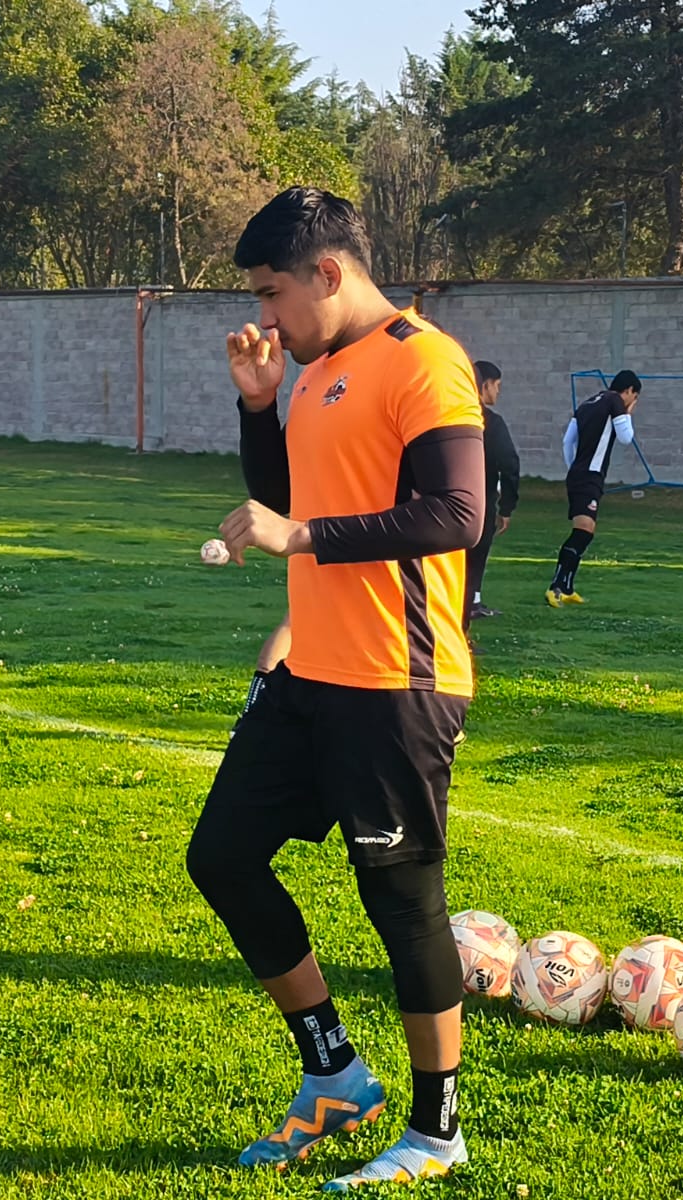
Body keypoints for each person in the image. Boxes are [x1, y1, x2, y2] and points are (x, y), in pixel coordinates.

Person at [186, 187, 484, 1191]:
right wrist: (260, 406)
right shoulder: (313, 375)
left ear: (328, 273)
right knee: (222, 857)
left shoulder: (422, 359)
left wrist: (303, 537)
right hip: (307, 673)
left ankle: (437, 1131)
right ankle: (334, 1075)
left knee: (401, 903)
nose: (265, 316)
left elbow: (455, 514)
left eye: (272, 294)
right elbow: (282, 502)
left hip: (395, 682)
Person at [545, 369, 640, 606]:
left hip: (579, 473)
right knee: (583, 531)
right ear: (628, 390)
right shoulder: (616, 401)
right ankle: (556, 586)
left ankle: (567, 587)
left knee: (585, 531)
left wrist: (573, 468)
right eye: (634, 397)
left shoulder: (588, 402)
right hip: (590, 476)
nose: (632, 401)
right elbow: (626, 437)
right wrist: (628, 412)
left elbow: (568, 440)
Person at [466, 360, 519, 625]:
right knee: (473, 560)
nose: (497, 392)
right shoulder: (490, 423)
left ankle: (471, 603)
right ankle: (463, 618)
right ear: (484, 385)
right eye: (496, 386)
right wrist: (507, 507)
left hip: (439, 501)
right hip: (480, 501)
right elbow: (509, 464)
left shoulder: (445, 414)